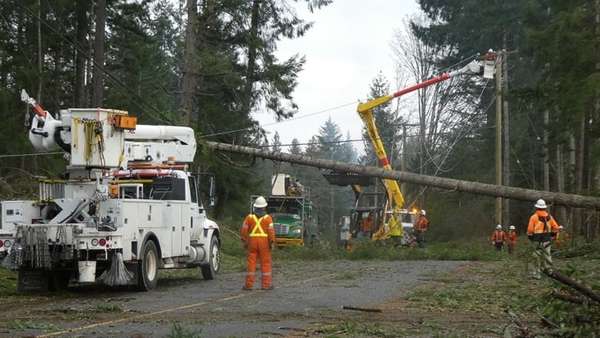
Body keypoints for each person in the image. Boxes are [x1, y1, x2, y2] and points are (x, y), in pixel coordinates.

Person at [240, 196, 275, 290]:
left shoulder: (249, 217)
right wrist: (272, 242)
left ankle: (248, 285)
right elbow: (271, 232)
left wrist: (244, 240)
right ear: (264, 207)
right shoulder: (268, 218)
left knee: (251, 263)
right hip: (264, 243)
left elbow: (244, 230)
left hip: (252, 242)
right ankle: (266, 285)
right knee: (266, 263)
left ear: (255, 207)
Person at [527, 199, 560, 279]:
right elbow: (556, 227)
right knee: (547, 255)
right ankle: (550, 272)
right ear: (544, 208)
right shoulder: (549, 217)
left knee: (536, 256)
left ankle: (536, 274)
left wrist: (530, 237)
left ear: (537, 208)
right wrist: (553, 235)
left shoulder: (534, 217)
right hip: (547, 239)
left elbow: (530, 230)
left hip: (537, 240)